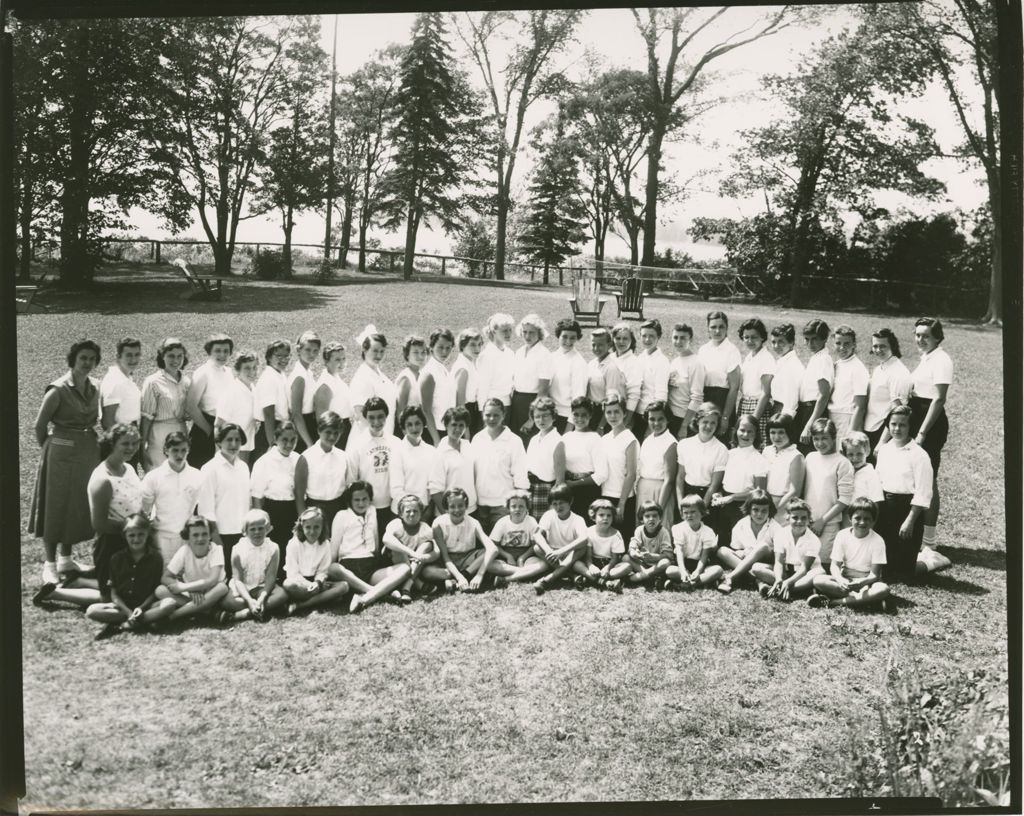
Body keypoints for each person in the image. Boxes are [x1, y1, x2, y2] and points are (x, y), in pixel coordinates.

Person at [34, 423, 143, 608]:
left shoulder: (130, 470)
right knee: (114, 600)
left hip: (133, 540)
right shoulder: (102, 479)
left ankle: (81, 582)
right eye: (125, 444)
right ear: (112, 444)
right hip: (111, 545)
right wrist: (134, 527)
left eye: (135, 443)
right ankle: (57, 592)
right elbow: (99, 524)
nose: (131, 448)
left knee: (136, 590)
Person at [29, 339, 102, 586]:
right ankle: (49, 565)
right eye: (83, 358)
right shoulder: (58, 389)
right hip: (60, 454)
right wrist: (51, 452)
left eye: (92, 359)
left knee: (74, 506)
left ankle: (66, 559)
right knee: (55, 507)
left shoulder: (95, 387)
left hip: (86, 453)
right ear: (73, 359)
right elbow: (40, 426)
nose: (87, 363)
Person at [85, 514, 175, 639]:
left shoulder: (155, 558)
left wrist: (141, 608)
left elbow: (155, 591)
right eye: (131, 535)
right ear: (125, 536)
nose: (136, 539)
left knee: (169, 604)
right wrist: (128, 612)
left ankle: (129, 625)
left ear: (147, 534)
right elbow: (114, 593)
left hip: (146, 606)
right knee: (92, 610)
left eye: (140, 534)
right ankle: (140, 621)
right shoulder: (116, 558)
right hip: (122, 608)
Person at [330, 481, 414, 612]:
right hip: (348, 567)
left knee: (405, 568)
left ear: (370, 499)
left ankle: (365, 598)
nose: (361, 503)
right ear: (350, 501)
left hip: (370, 567)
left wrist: (377, 559)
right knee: (333, 568)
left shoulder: (372, 511)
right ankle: (381, 593)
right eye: (356, 500)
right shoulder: (342, 515)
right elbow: (334, 548)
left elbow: (375, 539)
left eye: (365, 499)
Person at [874, 405, 933, 584]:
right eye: (893, 424)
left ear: (910, 427)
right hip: (885, 507)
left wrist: (910, 521)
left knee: (904, 573)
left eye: (903, 425)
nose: (897, 429)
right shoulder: (884, 450)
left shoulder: (919, 455)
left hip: (907, 510)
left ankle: (932, 562)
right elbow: (877, 480)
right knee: (886, 568)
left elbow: (923, 492)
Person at [908, 317, 952, 553]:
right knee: (916, 477)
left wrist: (922, 432)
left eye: (925, 335)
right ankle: (916, 535)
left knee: (928, 479)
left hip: (930, 423)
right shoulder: (927, 358)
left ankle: (929, 542)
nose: (920, 339)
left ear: (937, 337)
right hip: (916, 416)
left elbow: (939, 398)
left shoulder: (942, 359)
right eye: (917, 335)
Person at [809, 497, 891, 610]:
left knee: (883, 589)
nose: (862, 522)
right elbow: (835, 565)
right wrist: (840, 579)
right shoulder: (842, 535)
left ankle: (834, 602)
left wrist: (862, 583)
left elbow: (875, 575)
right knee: (818, 580)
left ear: (873, 521)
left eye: (867, 519)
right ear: (850, 518)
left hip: (867, 581)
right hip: (846, 579)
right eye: (858, 518)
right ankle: (864, 600)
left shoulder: (878, 541)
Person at [140, 431, 203, 564]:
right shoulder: (153, 477)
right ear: (166, 450)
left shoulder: (197, 476)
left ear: (189, 450)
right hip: (161, 538)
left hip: (187, 537)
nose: (180, 455)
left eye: (183, 450)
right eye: (175, 450)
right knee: (162, 577)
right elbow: (144, 511)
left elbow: (199, 508)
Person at [197, 424, 251, 580]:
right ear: (219, 442)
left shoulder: (244, 467)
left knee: (239, 578)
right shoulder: (210, 468)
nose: (234, 444)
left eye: (237, 440)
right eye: (229, 440)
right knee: (222, 578)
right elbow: (205, 508)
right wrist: (215, 536)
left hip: (241, 533)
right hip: (220, 534)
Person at [801, 417, 854, 574]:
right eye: (816, 439)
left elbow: (844, 499)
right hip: (807, 522)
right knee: (804, 564)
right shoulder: (810, 457)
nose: (819, 443)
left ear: (834, 437)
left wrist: (822, 521)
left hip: (828, 523)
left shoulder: (842, 462)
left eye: (824, 438)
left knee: (823, 567)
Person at [154, 515, 230, 622]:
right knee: (160, 590)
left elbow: (212, 580)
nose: (200, 538)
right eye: (195, 535)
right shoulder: (184, 550)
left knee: (222, 588)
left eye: (204, 534)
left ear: (210, 535)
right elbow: (165, 577)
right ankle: (207, 612)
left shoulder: (216, 550)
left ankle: (174, 616)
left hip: (212, 592)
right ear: (188, 537)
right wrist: (190, 590)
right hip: (193, 595)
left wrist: (184, 588)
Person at [217, 509, 288, 623]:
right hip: (242, 589)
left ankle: (251, 610)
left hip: (262, 587)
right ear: (245, 531)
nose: (257, 532)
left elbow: (271, 577)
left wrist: (262, 597)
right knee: (226, 601)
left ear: (268, 529)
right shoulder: (237, 549)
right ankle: (258, 608)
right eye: (252, 529)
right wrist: (249, 600)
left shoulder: (273, 548)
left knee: (282, 595)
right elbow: (238, 580)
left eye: (261, 528)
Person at [249, 421, 301, 578]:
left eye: (293, 440)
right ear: (275, 438)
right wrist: (262, 523)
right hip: (272, 511)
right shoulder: (264, 462)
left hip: (292, 510)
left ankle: (289, 582)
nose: (289, 444)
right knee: (273, 550)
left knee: (290, 550)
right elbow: (257, 496)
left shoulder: (298, 459)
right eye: (284, 440)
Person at [423, 487, 499, 593]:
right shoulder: (438, 523)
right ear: (446, 508)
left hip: (468, 559)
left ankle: (462, 577)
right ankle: (458, 579)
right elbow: (445, 557)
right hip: (447, 562)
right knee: (427, 572)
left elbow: (493, 549)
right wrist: (459, 577)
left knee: (487, 553)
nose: (457, 510)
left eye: (460, 506)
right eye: (452, 507)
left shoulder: (473, 522)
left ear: (466, 506)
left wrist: (479, 575)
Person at [471, 398, 529, 533]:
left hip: (503, 505)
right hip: (479, 505)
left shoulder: (514, 441)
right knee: (483, 548)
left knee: (501, 547)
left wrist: (519, 505)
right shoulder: (477, 439)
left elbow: (520, 476)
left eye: (496, 415)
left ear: (504, 415)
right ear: (482, 415)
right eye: (488, 415)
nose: (491, 419)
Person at [710, 414, 768, 549]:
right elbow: (722, 481)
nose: (745, 434)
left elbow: (760, 491)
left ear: (756, 434)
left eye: (750, 431)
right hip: (724, 505)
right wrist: (718, 494)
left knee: (739, 546)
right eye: (742, 430)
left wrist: (732, 498)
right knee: (722, 543)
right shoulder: (729, 454)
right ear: (735, 431)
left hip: (744, 507)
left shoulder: (758, 459)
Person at [346, 398, 399, 535]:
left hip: (392, 507)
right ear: (365, 418)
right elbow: (351, 480)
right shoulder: (356, 445)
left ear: (386, 416)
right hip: (367, 508)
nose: (376, 422)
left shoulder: (395, 443)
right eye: (371, 417)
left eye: (380, 416)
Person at [282, 507, 349, 615]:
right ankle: (322, 599)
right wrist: (309, 585)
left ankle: (300, 605)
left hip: (317, 583)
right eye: (308, 527)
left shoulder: (326, 544)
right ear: (301, 527)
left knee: (344, 586)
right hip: (299, 584)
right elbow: (292, 573)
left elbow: (323, 571)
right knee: (288, 584)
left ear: (322, 527)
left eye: (316, 527)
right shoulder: (294, 544)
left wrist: (318, 582)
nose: (312, 531)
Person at [139, 337, 191, 471]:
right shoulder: (153, 382)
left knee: (179, 472)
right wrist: (142, 446)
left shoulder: (186, 382)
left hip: (181, 430)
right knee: (160, 473)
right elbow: (146, 417)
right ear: (162, 356)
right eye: (171, 356)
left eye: (180, 356)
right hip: (159, 434)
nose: (176, 360)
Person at [716, 489, 781, 594]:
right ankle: (758, 581)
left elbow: (779, 557)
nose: (759, 514)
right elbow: (737, 549)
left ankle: (731, 577)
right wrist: (741, 552)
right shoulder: (741, 525)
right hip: (747, 562)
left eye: (764, 510)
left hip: (766, 565)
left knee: (763, 546)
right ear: (749, 509)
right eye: (755, 510)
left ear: (770, 511)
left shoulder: (775, 527)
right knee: (722, 551)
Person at [521, 485, 588, 586]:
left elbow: (584, 539)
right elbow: (537, 535)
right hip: (552, 554)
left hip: (569, 554)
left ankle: (548, 579)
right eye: (555, 504)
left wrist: (561, 552)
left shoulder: (578, 519)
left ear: (570, 501)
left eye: (561, 503)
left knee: (582, 549)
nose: (558, 507)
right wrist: (549, 551)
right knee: (537, 548)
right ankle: (571, 575)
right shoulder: (549, 515)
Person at [294, 411, 349, 533]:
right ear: (319, 431)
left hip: (338, 509)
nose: (332, 437)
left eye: (336, 433)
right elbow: (299, 495)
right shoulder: (306, 457)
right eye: (328, 432)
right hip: (314, 510)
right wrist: (304, 520)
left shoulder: (343, 456)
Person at [185, 333, 234, 467]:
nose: (222, 355)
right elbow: (190, 406)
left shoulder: (229, 372)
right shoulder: (203, 372)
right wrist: (209, 430)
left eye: (226, 351)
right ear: (209, 352)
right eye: (217, 351)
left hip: (224, 427)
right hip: (205, 427)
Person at [481, 490, 548, 587]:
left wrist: (522, 558)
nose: (517, 509)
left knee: (544, 564)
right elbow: (493, 545)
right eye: (513, 506)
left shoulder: (531, 521)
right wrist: (508, 556)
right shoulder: (502, 522)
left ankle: (506, 579)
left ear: (527, 508)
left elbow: (535, 545)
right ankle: (525, 574)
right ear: (508, 508)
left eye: (521, 506)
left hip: (526, 557)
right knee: (489, 564)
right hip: (506, 559)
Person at [381, 495, 439, 600]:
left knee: (427, 545)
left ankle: (406, 586)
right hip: (393, 563)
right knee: (396, 545)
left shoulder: (425, 529)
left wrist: (425, 557)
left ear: (421, 513)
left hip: (414, 563)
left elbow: (437, 552)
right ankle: (417, 584)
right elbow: (386, 539)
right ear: (400, 514)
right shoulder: (396, 524)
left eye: (415, 511)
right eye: (408, 511)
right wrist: (413, 554)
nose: (412, 514)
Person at [864, 328, 911, 454]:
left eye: (883, 346)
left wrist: (882, 442)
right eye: (875, 346)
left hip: (883, 431)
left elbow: (898, 412)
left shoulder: (898, 372)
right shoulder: (879, 368)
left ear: (893, 346)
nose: (878, 350)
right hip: (870, 427)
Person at [764, 499, 822, 601]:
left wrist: (788, 582)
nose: (799, 521)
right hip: (787, 572)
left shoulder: (814, 540)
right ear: (787, 518)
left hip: (806, 573)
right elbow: (779, 562)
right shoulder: (780, 534)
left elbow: (805, 568)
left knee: (818, 574)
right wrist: (778, 578)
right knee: (757, 568)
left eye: (804, 518)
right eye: (795, 518)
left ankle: (785, 589)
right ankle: (794, 588)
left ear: (809, 520)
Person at [565, 498, 628, 594]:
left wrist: (607, 568)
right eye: (601, 515)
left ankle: (591, 579)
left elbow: (615, 559)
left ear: (613, 517)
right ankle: (604, 582)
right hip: (593, 562)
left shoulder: (616, 534)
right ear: (594, 516)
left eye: (609, 515)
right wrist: (591, 566)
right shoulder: (589, 532)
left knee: (627, 566)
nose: (605, 518)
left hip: (610, 565)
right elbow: (588, 557)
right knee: (576, 564)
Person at [598, 394, 638, 540]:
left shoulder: (630, 439)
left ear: (624, 413)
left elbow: (631, 474)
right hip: (604, 496)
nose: (612, 416)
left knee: (622, 540)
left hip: (623, 499)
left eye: (616, 411)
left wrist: (621, 503)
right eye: (609, 412)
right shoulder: (604, 439)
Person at [675, 402, 728, 509]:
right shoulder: (684, 444)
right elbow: (680, 477)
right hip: (686, 495)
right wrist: (681, 504)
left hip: (706, 498)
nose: (709, 426)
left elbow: (714, 485)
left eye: (713, 423)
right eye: (705, 422)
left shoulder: (721, 449)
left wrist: (702, 509)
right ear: (698, 421)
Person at [663, 494, 723, 590]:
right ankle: (701, 582)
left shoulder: (708, 531)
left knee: (718, 570)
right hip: (683, 563)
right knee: (670, 571)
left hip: (700, 564)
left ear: (702, 512)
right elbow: (679, 552)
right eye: (685, 512)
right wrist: (682, 571)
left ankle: (687, 585)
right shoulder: (678, 528)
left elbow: (704, 556)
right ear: (682, 514)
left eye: (693, 512)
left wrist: (698, 571)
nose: (689, 515)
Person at [697, 311, 741, 441]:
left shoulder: (732, 351)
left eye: (721, 327)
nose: (717, 331)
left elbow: (734, 388)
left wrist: (725, 417)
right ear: (707, 329)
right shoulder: (703, 350)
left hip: (723, 400)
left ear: (727, 328)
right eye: (713, 327)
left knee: (721, 441)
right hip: (705, 399)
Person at [391, 406, 439, 522]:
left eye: (417, 423)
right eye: (409, 425)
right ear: (403, 428)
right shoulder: (397, 451)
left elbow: (434, 484)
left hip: (426, 512)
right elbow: (396, 489)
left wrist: (427, 509)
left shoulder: (432, 451)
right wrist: (412, 509)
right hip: (403, 512)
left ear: (424, 424)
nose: (414, 428)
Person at [99, 337, 142, 466]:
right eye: (128, 355)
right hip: (121, 442)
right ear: (118, 356)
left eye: (137, 354)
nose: (133, 359)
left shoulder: (126, 377)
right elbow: (107, 421)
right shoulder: (115, 381)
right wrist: (121, 447)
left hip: (130, 436)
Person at [560, 397, 607, 515]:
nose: (580, 419)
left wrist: (574, 484)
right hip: (568, 490)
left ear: (590, 416)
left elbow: (602, 474)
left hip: (587, 491)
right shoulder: (566, 437)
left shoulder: (595, 438)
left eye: (584, 415)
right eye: (576, 414)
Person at [510, 313, 553, 443]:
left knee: (529, 441)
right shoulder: (519, 352)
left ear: (539, 333)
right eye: (525, 332)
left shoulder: (544, 354)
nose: (527, 336)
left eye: (532, 333)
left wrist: (532, 418)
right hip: (516, 401)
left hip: (532, 402)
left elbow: (543, 389)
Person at [350, 326, 397, 442]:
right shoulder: (362, 376)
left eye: (382, 351)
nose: (379, 355)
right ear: (365, 350)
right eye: (375, 351)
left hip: (384, 434)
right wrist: (376, 439)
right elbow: (360, 414)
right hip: (369, 438)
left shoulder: (378, 373)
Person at [429, 406, 478, 518]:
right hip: (450, 514)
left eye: (461, 425)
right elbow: (435, 491)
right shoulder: (440, 453)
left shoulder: (468, 446)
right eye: (454, 425)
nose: (458, 429)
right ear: (446, 425)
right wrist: (448, 516)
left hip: (470, 510)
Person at [635, 402, 678, 525]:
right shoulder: (648, 440)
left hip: (660, 492)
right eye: (652, 419)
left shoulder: (670, 443)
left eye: (661, 419)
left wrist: (658, 508)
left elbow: (669, 480)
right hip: (644, 489)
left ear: (668, 419)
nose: (656, 423)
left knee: (659, 527)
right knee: (642, 530)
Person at [215, 349, 260, 467]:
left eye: (255, 367)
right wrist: (221, 455)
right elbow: (218, 425)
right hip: (231, 448)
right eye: (247, 368)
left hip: (247, 444)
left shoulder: (252, 388)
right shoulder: (231, 391)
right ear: (238, 370)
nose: (252, 372)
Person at [795, 319, 833, 455]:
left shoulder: (823, 359)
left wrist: (809, 425)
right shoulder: (816, 357)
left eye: (814, 339)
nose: (810, 343)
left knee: (809, 452)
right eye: (807, 339)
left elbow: (824, 394)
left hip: (814, 411)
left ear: (824, 339)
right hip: (806, 409)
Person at [736, 318, 775, 447]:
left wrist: (753, 420)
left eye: (754, 337)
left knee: (757, 445)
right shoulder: (749, 357)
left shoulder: (766, 358)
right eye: (746, 337)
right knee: (742, 445)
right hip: (744, 404)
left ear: (762, 337)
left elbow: (766, 393)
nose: (750, 341)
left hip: (758, 407)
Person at [827, 325, 869, 444]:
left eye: (846, 344)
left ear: (854, 345)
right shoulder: (837, 364)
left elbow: (860, 406)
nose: (842, 347)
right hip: (832, 417)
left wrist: (851, 433)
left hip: (847, 419)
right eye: (838, 343)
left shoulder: (858, 368)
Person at [525, 397, 565, 519]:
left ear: (553, 416)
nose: (540, 420)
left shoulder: (558, 441)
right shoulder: (534, 439)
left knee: (542, 529)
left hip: (545, 490)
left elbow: (560, 479)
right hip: (530, 488)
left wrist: (553, 503)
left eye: (545, 416)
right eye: (537, 416)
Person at [252, 339, 291, 461]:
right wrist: (272, 443)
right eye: (278, 356)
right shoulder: (269, 378)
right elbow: (268, 413)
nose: (283, 359)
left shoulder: (280, 374)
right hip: (270, 429)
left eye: (286, 356)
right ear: (269, 357)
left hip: (281, 427)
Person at [762, 413, 805, 522]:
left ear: (789, 432)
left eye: (781, 432)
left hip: (783, 506)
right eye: (773, 432)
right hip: (764, 503)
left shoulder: (796, 456)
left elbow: (795, 491)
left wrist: (774, 509)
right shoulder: (767, 451)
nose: (776, 437)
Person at [311, 341, 354, 452]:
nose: (342, 363)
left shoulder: (336, 378)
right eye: (337, 360)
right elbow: (321, 420)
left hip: (344, 428)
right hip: (334, 432)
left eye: (343, 358)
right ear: (326, 361)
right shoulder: (325, 385)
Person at [549, 319, 588, 435]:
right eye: (564, 337)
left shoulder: (579, 363)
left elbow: (578, 398)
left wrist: (568, 428)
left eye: (572, 338)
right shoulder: (552, 357)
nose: (568, 341)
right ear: (558, 336)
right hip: (549, 414)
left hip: (565, 418)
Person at [623, 501, 675, 588]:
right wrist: (634, 553)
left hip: (657, 564)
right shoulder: (639, 530)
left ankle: (643, 577)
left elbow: (669, 555)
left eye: (655, 516)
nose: (651, 519)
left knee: (665, 563)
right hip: (643, 564)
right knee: (625, 558)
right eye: (647, 516)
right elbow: (633, 545)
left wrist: (653, 556)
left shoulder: (664, 532)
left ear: (660, 518)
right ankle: (650, 577)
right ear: (641, 519)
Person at [666, 322, 705, 439]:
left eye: (683, 338)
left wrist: (684, 426)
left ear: (690, 340)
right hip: (669, 417)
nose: (678, 341)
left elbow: (697, 398)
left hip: (684, 418)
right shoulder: (674, 362)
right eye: (675, 337)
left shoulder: (695, 363)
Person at [585, 327, 626, 432]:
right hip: (590, 411)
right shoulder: (592, 363)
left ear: (609, 345)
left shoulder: (611, 367)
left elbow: (611, 401)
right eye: (593, 344)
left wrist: (601, 426)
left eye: (600, 345)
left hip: (603, 414)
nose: (596, 348)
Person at [419, 328, 455, 446]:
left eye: (448, 347)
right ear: (431, 347)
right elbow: (426, 410)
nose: (444, 351)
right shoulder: (429, 373)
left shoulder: (443, 369)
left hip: (446, 429)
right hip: (434, 432)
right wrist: (436, 440)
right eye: (440, 347)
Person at [636, 319, 671, 441]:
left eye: (651, 336)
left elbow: (661, 396)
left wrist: (650, 427)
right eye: (644, 335)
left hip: (650, 416)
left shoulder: (662, 361)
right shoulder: (640, 357)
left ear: (659, 337)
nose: (647, 339)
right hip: (637, 412)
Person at [288, 330, 322, 452]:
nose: (311, 354)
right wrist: (309, 443)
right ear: (298, 350)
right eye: (307, 350)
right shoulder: (299, 376)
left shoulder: (308, 373)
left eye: (315, 351)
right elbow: (296, 414)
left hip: (310, 422)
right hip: (302, 427)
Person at [840, 432, 884, 526]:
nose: (855, 458)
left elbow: (876, 503)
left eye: (859, 454)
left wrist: (870, 526)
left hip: (862, 521)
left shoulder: (872, 474)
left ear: (867, 452)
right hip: (845, 517)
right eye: (850, 454)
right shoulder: (845, 471)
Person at [476, 313, 515, 413]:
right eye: (504, 331)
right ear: (494, 332)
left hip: (507, 405)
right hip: (491, 406)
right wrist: (483, 411)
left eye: (510, 330)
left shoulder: (510, 353)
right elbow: (483, 388)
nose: (508, 334)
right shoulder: (486, 355)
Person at [451, 328, 483, 436]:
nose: (477, 348)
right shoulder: (463, 368)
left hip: (473, 410)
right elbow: (459, 403)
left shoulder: (471, 363)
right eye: (472, 345)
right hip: (465, 412)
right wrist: (466, 432)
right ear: (462, 346)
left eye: (479, 344)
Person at [611, 322, 642, 431]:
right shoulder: (609, 358)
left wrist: (624, 423)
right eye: (618, 338)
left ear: (631, 341)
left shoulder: (634, 363)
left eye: (625, 338)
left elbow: (634, 395)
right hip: (606, 413)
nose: (621, 342)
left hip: (622, 415)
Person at [394, 334, 427, 436]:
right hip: (406, 431)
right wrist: (406, 435)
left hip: (417, 428)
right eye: (415, 353)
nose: (420, 356)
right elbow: (400, 409)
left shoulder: (420, 374)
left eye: (423, 352)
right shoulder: (406, 377)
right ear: (407, 355)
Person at [768, 323, 802, 420]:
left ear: (791, 343)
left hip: (784, 413)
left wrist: (784, 421)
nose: (776, 346)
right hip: (777, 409)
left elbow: (791, 399)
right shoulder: (782, 361)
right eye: (773, 342)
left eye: (781, 342)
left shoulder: (791, 365)